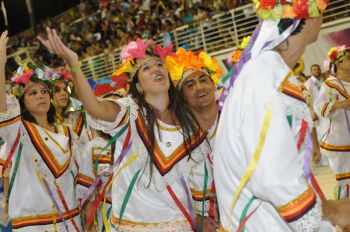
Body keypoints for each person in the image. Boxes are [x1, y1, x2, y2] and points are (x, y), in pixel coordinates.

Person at [38, 30, 214, 231]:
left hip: (179, 224)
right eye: (146, 67)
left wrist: (201, 215)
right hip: (133, 224)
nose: (156, 69)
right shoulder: (129, 113)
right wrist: (74, 63)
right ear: (138, 85)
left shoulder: (189, 125)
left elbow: (200, 177)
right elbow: (94, 107)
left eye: (159, 64)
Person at [212, 0, 341, 230]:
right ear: (309, 17)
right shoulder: (269, 79)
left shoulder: (262, 72)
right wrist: (332, 211)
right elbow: (273, 180)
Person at [0, 31, 94, 231]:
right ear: (22, 103)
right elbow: (2, 111)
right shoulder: (18, 130)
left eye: (44, 91)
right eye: (32, 93)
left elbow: (83, 179)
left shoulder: (67, 132)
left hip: (72, 222)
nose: (41, 96)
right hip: (33, 225)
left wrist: (90, 219)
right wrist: (0, 65)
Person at [167, 47, 223, 230]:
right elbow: (169, 186)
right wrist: (194, 218)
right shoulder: (176, 136)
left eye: (203, 80)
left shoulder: (234, 121)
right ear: (182, 97)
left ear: (213, 84)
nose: (199, 87)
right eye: (189, 85)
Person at [314, 46, 350, 200]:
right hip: (339, 140)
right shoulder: (329, 84)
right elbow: (318, 107)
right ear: (338, 64)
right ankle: (345, 219)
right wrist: (338, 104)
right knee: (345, 181)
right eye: (348, 58)